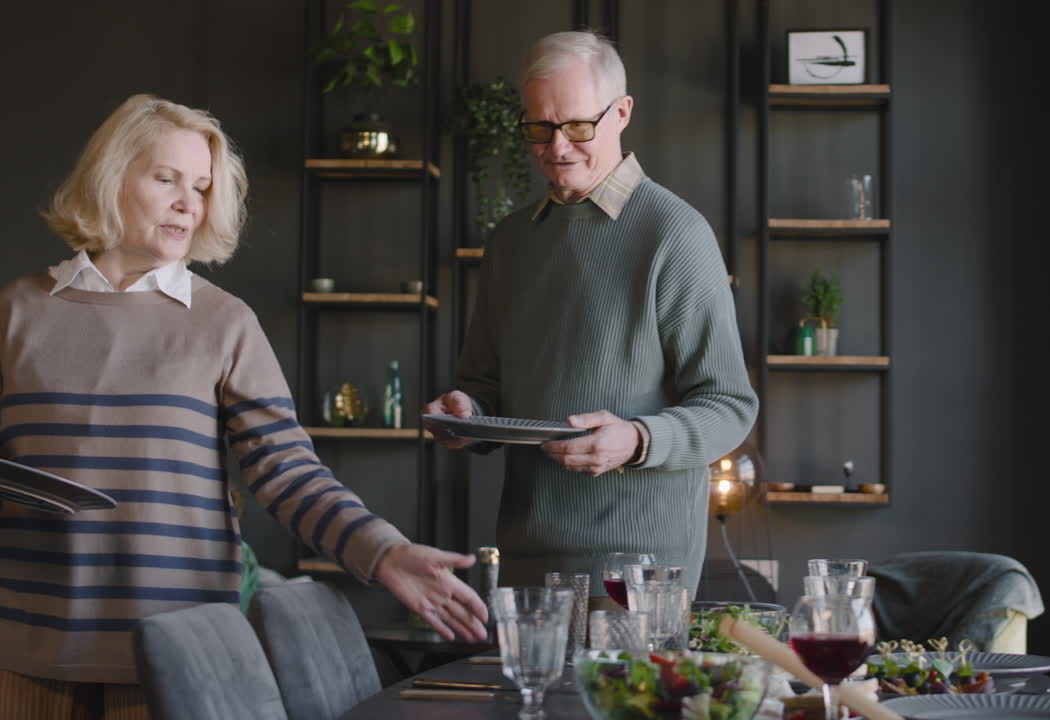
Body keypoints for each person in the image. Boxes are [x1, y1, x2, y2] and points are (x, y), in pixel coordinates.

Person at [0, 94, 487, 718]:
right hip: (23, 652)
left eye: (201, 187)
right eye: (166, 179)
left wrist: (385, 551)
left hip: (175, 656)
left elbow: (288, 473)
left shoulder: (224, 322)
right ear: (110, 177)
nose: (188, 203)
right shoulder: (17, 311)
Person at [425, 31, 758, 596]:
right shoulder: (511, 242)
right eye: (539, 128)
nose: (557, 146)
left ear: (621, 113)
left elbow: (730, 405)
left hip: (641, 565)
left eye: (578, 126)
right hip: (524, 555)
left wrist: (636, 439)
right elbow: (486, 387)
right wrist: (466, 414)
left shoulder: (674, 234)